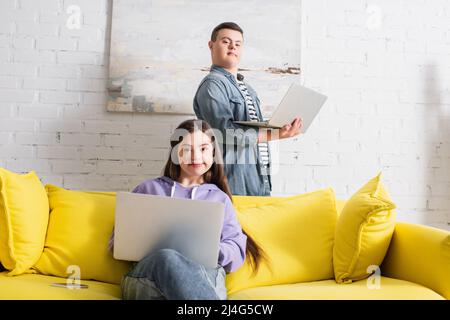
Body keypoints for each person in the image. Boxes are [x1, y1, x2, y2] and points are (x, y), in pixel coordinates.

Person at [109, 119, 264, 300]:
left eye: (204, 149)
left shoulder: (220, 199)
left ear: (213, 152)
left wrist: (208, 250)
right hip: (148, 279)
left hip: (205, 277)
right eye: (187, 149)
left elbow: (236, 250)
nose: (196, 157)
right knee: (167, 258)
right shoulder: (148, 190)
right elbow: (116, 243)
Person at [194, 22, 303, 196]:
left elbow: (253, 132)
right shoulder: (212, 85)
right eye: (226, 41)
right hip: (233, 182)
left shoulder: (248, 89)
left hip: (258, 179)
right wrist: (276, 134)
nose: (232, 47)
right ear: (211, 45)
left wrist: (281, 128)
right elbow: (225, 132)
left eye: (238, 44)